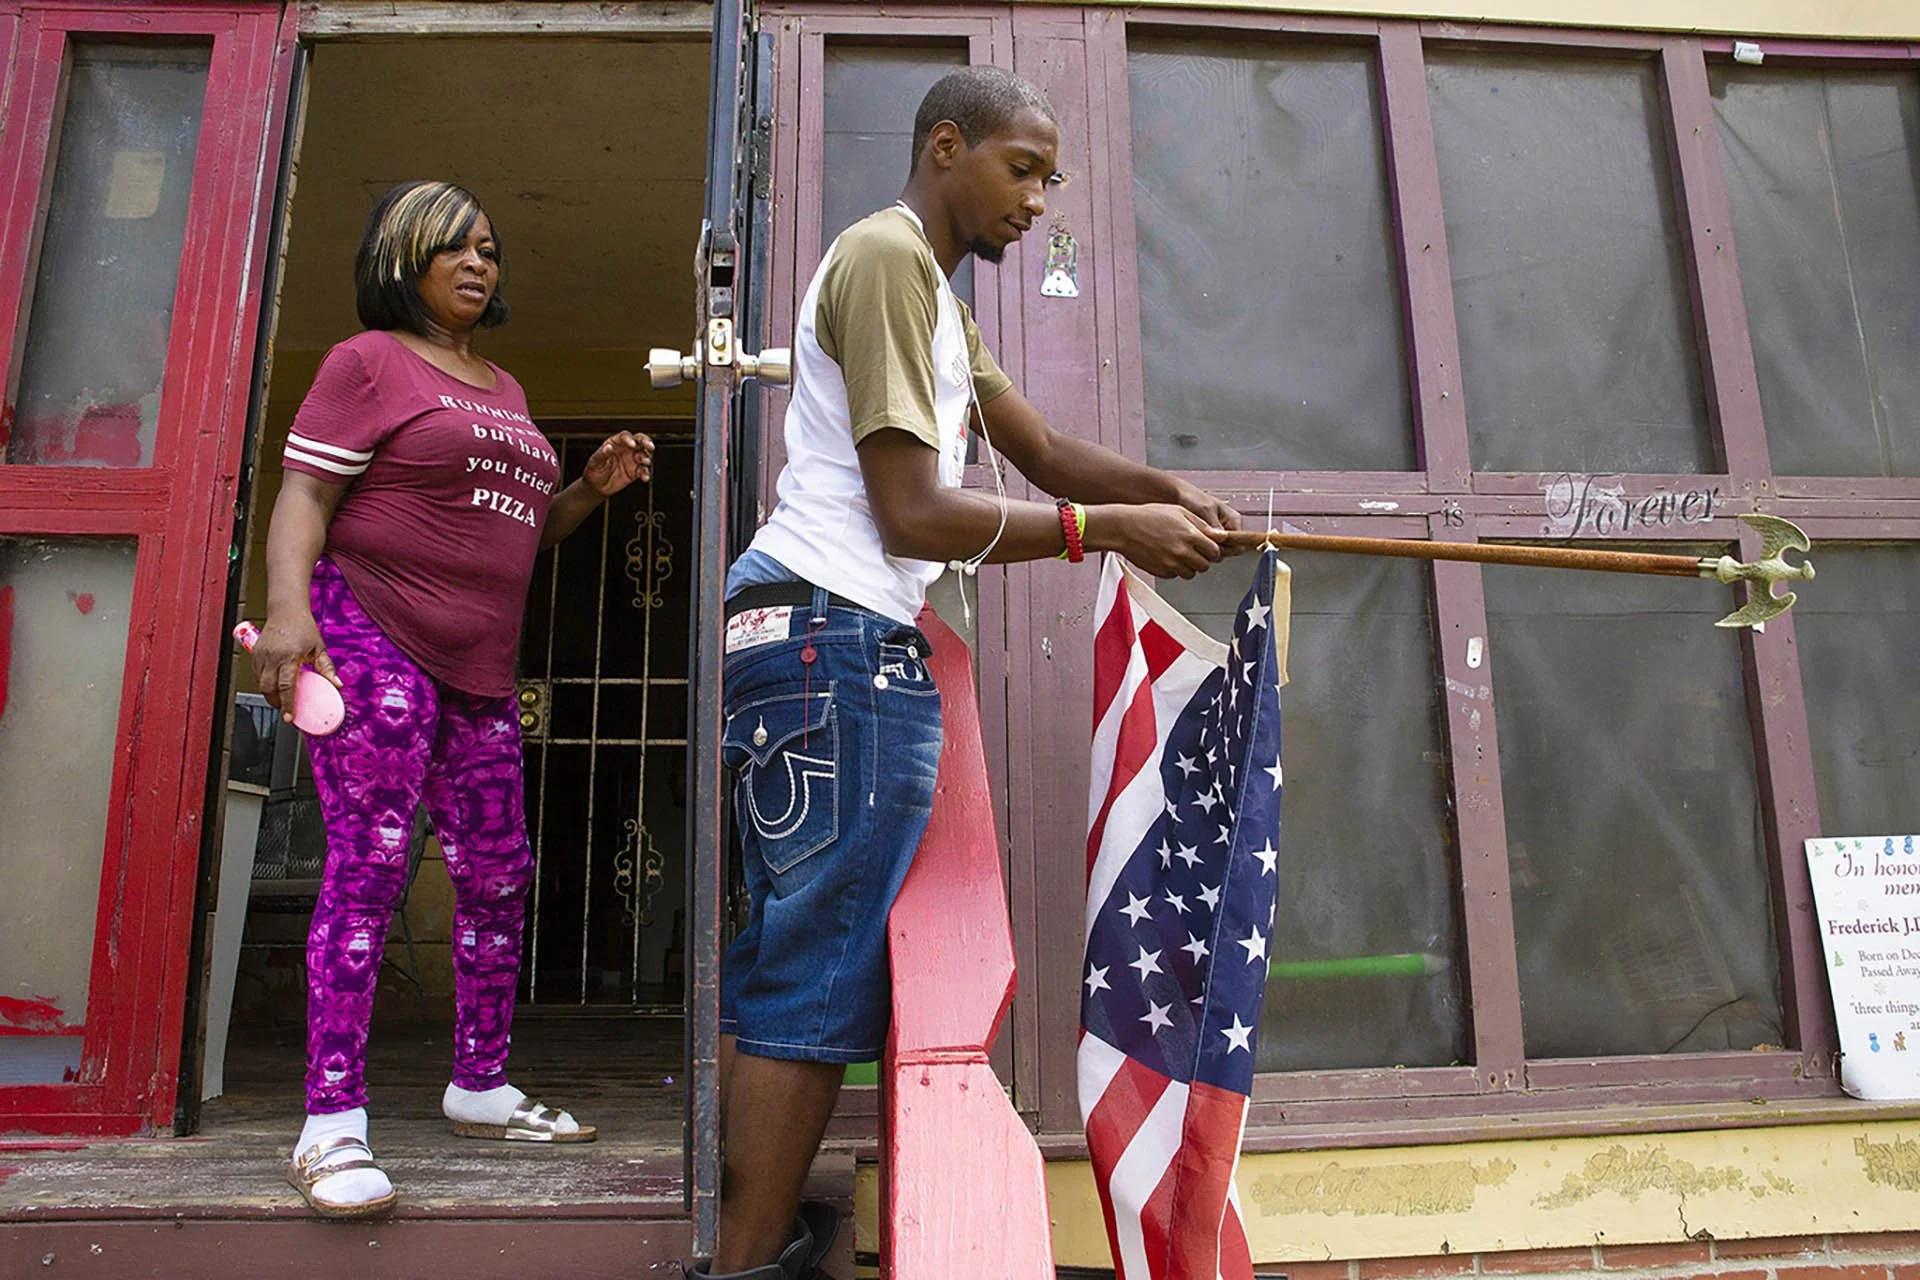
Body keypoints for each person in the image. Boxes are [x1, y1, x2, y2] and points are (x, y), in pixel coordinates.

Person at [701, 68, 1241, 1278]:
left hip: (805, 640)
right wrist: (1104, 534)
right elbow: (908, 513)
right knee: (815, 982)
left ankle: (738, 1244)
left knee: (790, 972)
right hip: (832, 641)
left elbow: (1038, 447)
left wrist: (1165, 494)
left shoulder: (934, 295)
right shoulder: (886, 261)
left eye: (1051, 177)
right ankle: (738, 1265)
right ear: (947, 146)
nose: (1041, 199)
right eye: (1024, 168)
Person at [249, 181, 655, 1218]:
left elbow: (517, 532)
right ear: (402, 259)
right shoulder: (368, 362)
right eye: (452, 249)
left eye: (489, 249)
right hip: (372, 631)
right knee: (373, 863)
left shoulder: (506, 387)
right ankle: (329, 1124)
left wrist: (587, 489)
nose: (479, 265)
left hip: (480, 673)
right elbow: (306, 493)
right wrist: (288, 614)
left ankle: (478, 1082)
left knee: (500, 871)